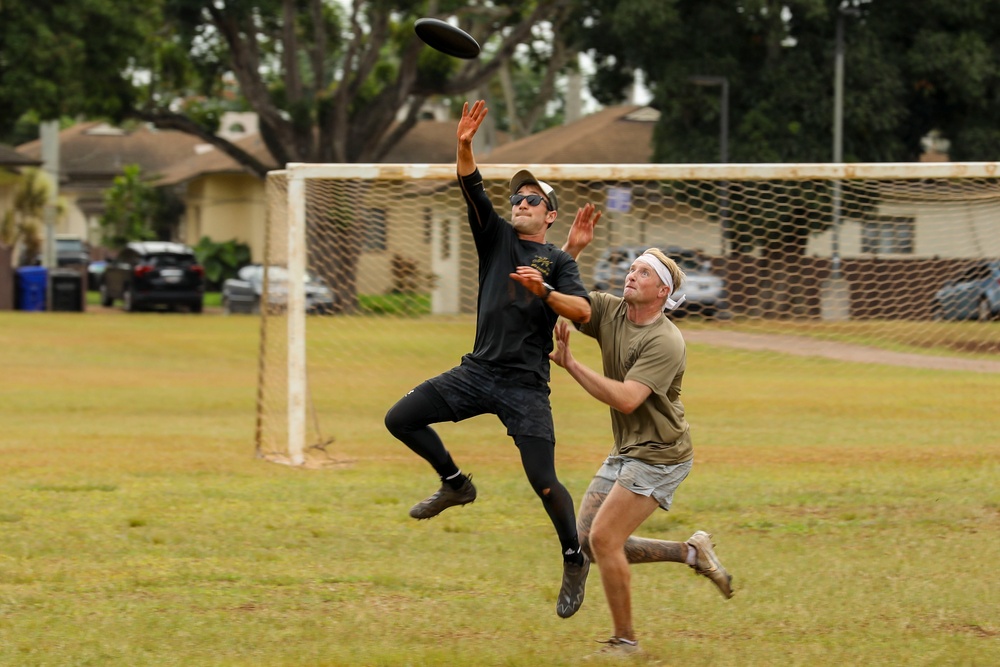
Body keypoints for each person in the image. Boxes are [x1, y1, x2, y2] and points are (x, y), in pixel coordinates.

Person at [384, 100, 593, 619]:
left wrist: (545, 290)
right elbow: (472, 187)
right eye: (517, 196)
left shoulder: (560, 260)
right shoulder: (496, 237)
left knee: (545, 481)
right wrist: (463, 146)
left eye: (532, 198)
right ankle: (456, 484)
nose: (520, 202)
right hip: (478, 372)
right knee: (400, 419)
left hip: (525, 386)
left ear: (550, 213)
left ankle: (573, 557)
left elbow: (584, 311)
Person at [550, 205, 734, 658]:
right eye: (631, 268)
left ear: (662, 290)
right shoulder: (612, 312)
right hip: (628, 448)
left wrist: (572, 364)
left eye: (642, 272)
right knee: (592, 540)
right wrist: (562, 260)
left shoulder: (665, 340)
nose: (631, 275)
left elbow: (628, 399)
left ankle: (626, 642)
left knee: (604, 540)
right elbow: (570, 300)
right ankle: (693, 553)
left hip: (662, 454)